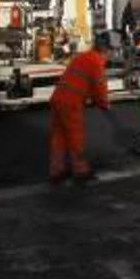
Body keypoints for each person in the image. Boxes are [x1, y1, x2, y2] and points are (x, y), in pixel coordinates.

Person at [49, 42, 111, 184]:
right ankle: (81, 171)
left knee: (59, 137)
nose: (109, 58)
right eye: (110, 53)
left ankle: (57, 170)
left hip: (58, 98)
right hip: (71, 102)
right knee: (76, 136)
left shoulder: (81, 57)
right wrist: (104, 104)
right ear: (105, 51)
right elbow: (99, 85)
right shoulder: (97, 61)